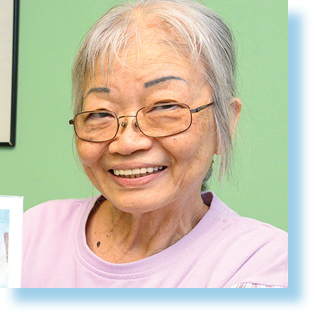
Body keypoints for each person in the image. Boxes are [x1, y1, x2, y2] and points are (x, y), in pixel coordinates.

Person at [22, 0, 287, 288]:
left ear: (224, 124)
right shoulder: (30, 234)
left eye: (164, 107)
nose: (126, 142)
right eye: (100, 113)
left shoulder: (264, 264)